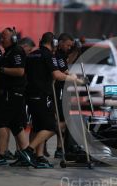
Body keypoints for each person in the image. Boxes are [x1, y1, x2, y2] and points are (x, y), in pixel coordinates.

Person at [19, 32, 84, 168]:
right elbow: (57, 74)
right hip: (43, 95)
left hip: (30, 95)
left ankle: (39, 156)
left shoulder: (31, 55)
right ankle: (28, 151)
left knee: (37, 127)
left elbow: (24, 74)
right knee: (51, 127)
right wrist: (74, 79)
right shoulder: (49, 55)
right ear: (54, 43)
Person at [0, 27, 29, 166]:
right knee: (16, 125)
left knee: (1, 122)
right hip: (11, 94)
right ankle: (26, 155)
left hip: (12, 94)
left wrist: (0, 69)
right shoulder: (8, 52)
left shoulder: (16, 51)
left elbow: (20, 71)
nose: (0, 39)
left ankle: (1, 155)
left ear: (13, 39)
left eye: (4, 37)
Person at [53, 33, 74, 158]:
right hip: (58, 90)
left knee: (64, 120)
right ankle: (58, 147)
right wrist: (78, 79)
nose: (69, 48)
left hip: (62, 90)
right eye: (67, 45)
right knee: (62, 120)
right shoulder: (58, 56)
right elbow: (66, 71)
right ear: (60, 43)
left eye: (70, 46)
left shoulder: (63, 55)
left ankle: (60, 147)